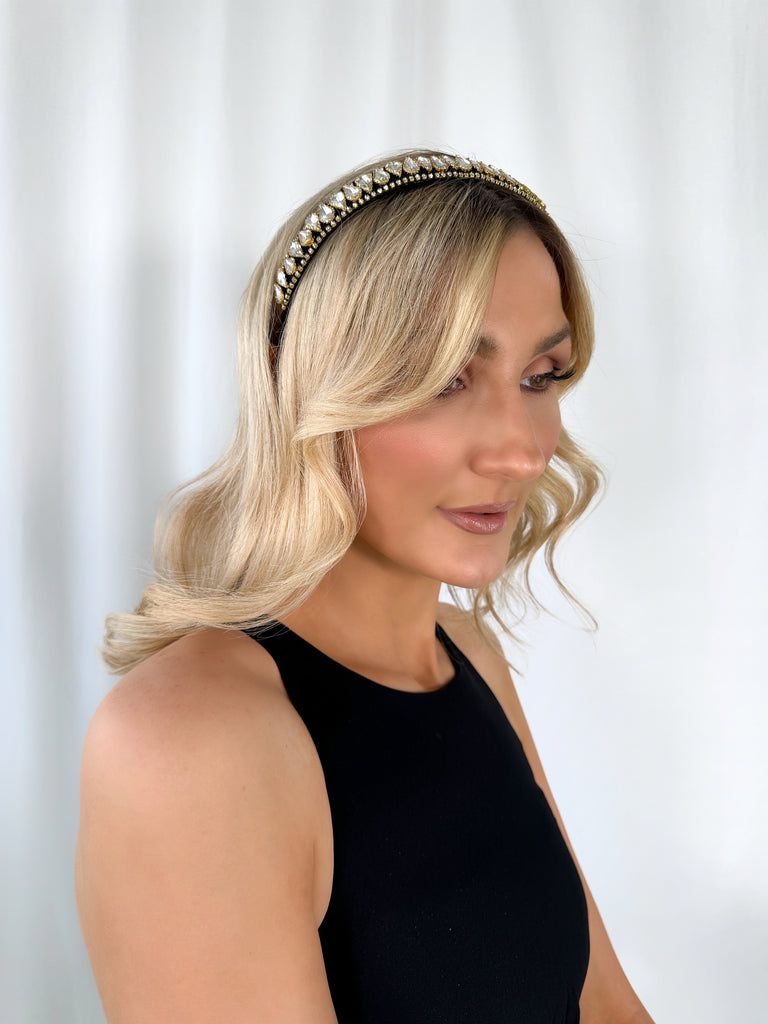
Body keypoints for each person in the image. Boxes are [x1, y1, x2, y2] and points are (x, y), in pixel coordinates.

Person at [75, 151, 655, 1023]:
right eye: (447, 379)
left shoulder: (467, 653)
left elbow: (604, 1004)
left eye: (541, 378)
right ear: (301, 386)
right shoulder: (190, 738)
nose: (522, 450)